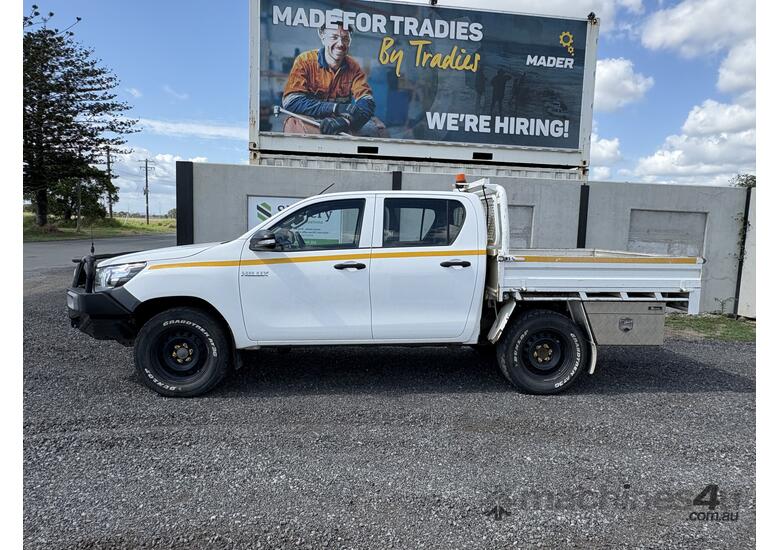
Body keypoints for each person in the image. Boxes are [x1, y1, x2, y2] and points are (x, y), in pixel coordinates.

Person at [281, 21, 376, 135]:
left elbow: (367, 102)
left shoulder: (353, 67)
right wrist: (335, 108)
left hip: (338, 122)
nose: (340, 44)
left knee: (375, 128)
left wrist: (346, 121)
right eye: (334, 37)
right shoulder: (305, 61)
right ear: (323, 38)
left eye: (345, 38)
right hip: (311, 121)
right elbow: (291, 101)